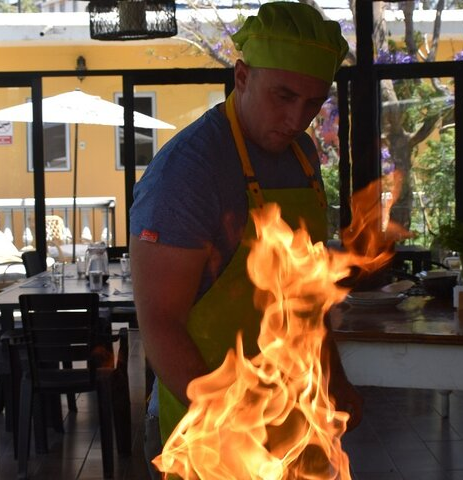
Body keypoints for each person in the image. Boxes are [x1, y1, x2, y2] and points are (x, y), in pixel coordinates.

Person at [128, 2, 363, 477]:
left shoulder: (302, 156)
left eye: (313, 104)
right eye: (283, 96)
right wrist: (228, 428)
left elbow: (305, 296)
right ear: (241, 76)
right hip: (208, 428)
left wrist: (334, 380)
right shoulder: (189, 170)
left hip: (295, 416)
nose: (298, 118)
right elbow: (159, 323)